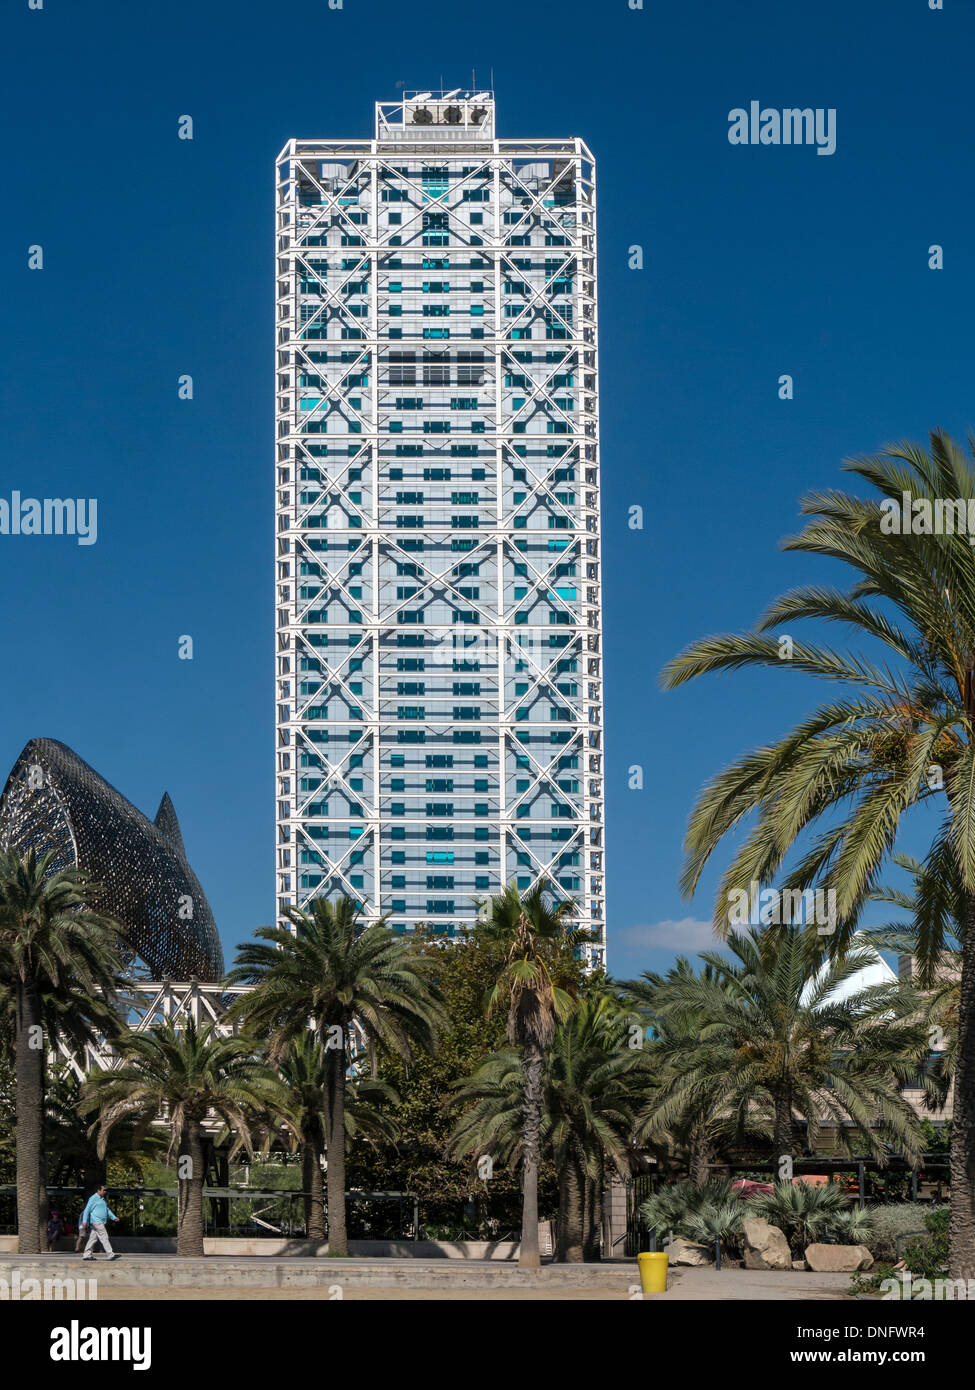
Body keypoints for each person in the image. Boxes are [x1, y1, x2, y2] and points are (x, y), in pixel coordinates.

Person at [79, 1184, 119, 1260]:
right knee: (104, 1236)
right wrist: (84, 1221)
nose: (105, 1192)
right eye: (103, 1190)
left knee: (93, 1238)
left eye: (105, 1190)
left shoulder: (102, 1199)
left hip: (99, 1221)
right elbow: (87, 1210)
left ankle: (86, 1255)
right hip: (96, 1221)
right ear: (98, 1190)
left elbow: (107, 1210)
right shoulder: (93, 1198)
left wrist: (113, 1217)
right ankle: (110, 1254)